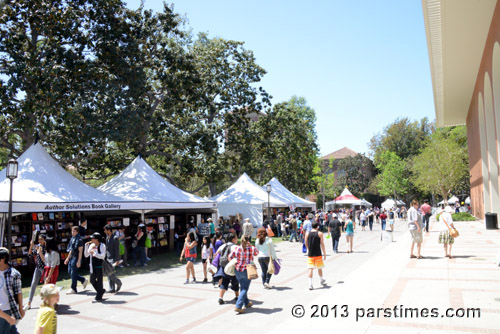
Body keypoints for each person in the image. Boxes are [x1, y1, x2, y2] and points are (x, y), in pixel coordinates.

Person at [228, 235, 259, 314]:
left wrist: (236, 262)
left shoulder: (237, 248)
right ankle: (238, 306)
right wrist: (250, 245)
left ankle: (247, 302)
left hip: (238, 270)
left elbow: (230, 257)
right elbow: (257, 253)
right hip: (247, 270)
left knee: (242, 287)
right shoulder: (251, 248)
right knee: (244, 288)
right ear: (248, 240)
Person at [0, 247, 24, 333]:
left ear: (3, 258)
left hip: (7, 309)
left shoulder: (14, 274)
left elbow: (19, 292)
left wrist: (21, 308)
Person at [214, 233, 239, 305]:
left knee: (224, 281)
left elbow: (217, 253)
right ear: (233, 239)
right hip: (232, 266)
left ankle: (220, 298)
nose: (237, 239)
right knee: (235, 281)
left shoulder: (223, 245)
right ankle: (237, 296)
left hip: (224, 266)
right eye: (236, 238)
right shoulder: (235, 247)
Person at [64, 227, 88, 295]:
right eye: (72, 231)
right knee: (70, 272)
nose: (72, 232)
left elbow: (80, 251)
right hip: (72, 257)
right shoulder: (72, 239)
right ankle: (82, 280)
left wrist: (79, 261)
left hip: (76, 257)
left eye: (74, 231)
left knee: (73, 272)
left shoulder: (79, 239)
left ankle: (73, 288)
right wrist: (67, 258)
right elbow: (71, 250)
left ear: (77, 232)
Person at [26, 234, 46, 310]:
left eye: (41, 239)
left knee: (45, 285)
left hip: (45, 268)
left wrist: (40, 252)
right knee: (33, 284)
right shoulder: (37, 246)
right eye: (39, 240)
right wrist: (31, 246)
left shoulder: (46, 248)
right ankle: (29, 302)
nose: (39, 241)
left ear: (44, 240)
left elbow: (44, 260)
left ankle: (46, 301)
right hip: (38, 268)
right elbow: (30, 254)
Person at [84, 232, 106, 302]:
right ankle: (101, 291)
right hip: (92, 266)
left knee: (100, 281)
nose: (92, 240)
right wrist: (86, 246)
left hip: (99, 266)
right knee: (92, 280)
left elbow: (103, 256)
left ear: (97, 239)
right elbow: (86, 255)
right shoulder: (91, 245)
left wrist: (95, 253)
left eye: (93, 238)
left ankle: (98, 296)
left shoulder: (102, 245)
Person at [305, 221, 327, 290]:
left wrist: (308, 249)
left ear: (311, 226)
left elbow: (306, 242)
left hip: (310, 254)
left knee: (310, 269)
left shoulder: (307, 233)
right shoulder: (320, 233)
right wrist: (324, 253)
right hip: (318, 253)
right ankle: (321, 279)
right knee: (319, 267)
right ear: (317, 226)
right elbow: (322, 244)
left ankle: (310, 284)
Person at [103, 225, 123, 293]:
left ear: (109, 230)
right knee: (109, 273)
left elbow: (117, 250)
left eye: (105, 230)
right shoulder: (107, 238)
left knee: (110, 273)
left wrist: (117, 260)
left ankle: (118, 282)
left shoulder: (115, 238)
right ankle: (112, 288)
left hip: (113, 258)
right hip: (108, 258)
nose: (104, 231)